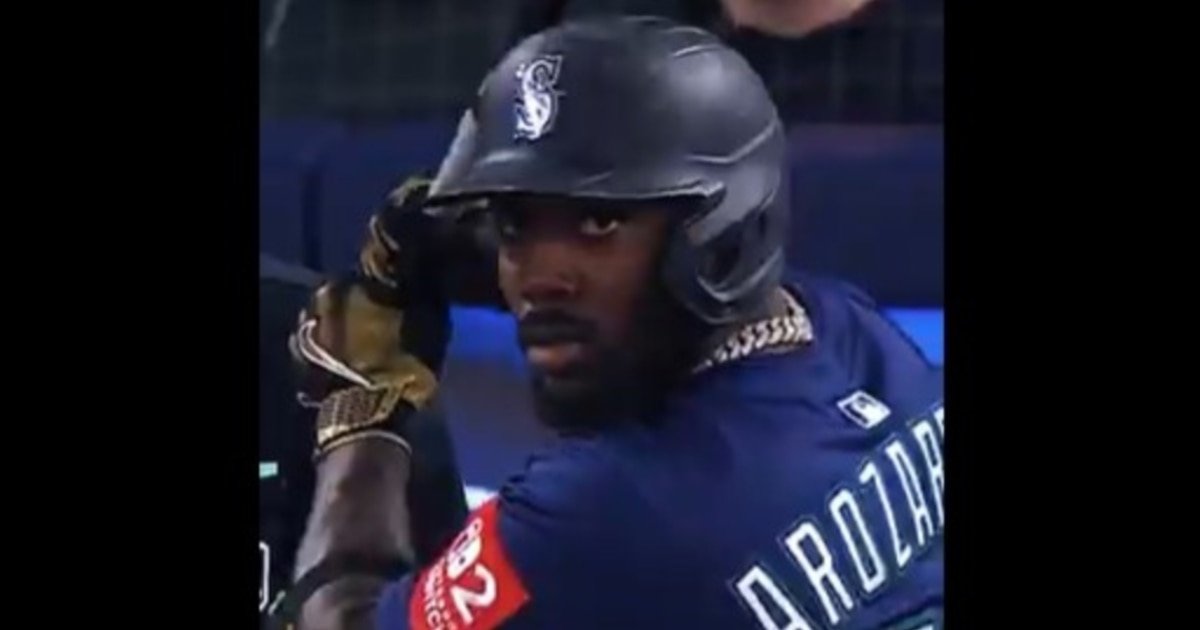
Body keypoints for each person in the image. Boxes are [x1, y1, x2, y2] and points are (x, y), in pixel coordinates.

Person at [273, 15, 943, 630]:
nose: (539, 278)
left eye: (599, 222)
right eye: (515, 227)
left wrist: (363, 414)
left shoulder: (609, 512)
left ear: (717, 239)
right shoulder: (854, 336)